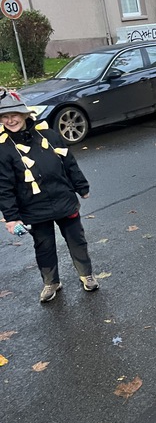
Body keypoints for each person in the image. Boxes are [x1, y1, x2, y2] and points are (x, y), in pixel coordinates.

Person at [0, 88, 99, 301]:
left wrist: (81, 186)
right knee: (44, 246)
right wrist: (11, 217)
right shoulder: (3, 148)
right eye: (5, 117)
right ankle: (51, 282)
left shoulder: (49, 135)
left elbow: (69, 162)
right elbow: (4, 185)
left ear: (24, 114)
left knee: (77, 240)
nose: (10, 120)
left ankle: (86, 274)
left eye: (14, 115)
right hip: (34, 208)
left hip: (63, 200)